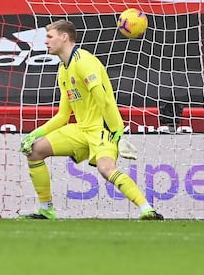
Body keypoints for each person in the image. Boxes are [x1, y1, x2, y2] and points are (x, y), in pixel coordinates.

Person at [19, 19, 165, 221]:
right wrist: (35, 134)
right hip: (81, 129)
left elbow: (104, 100)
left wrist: (118, 134)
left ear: (64, 37)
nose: (46, 42)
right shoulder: (63, 70)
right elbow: (63, 115)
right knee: (35, 151)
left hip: (102, 129)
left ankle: (148, 210)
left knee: (106, 169)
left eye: (49, 36)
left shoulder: (84, 61)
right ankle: (46, 210)